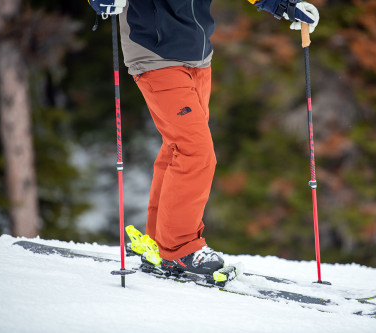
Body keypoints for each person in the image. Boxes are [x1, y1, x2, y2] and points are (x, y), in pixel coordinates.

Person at [88, 0, 320, 275]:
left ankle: (159, 244)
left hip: (198, 56)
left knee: (178, 148)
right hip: (156, 53)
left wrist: (283, 4)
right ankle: (179, 249)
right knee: (195, 152)